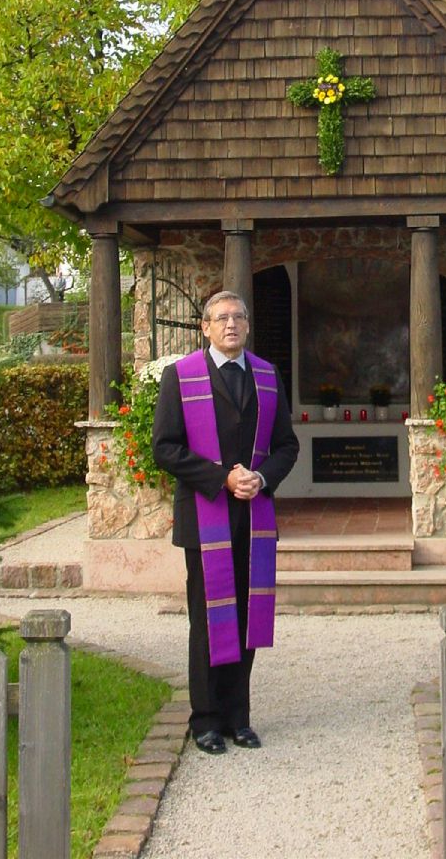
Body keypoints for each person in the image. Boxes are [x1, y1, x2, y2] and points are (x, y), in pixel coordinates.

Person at [152, 290, 299, 755]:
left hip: (253, 515)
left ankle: (239, 718)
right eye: (221, 318)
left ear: (248, 325)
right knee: (208, 619)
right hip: (205, 513)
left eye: (238, 317)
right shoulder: (181, 376)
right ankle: (206, 720)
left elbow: (287, 445)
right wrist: (222, 478)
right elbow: (165, 448)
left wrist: (261, 477)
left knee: (246, 616)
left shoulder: (267, 376)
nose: (230, 324)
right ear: (206, 328)